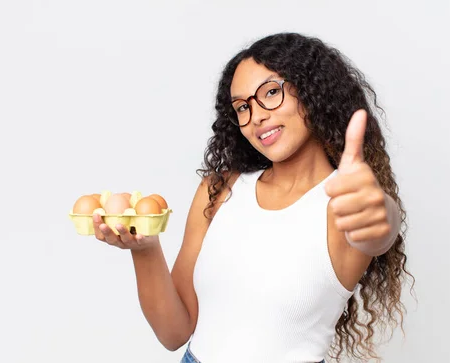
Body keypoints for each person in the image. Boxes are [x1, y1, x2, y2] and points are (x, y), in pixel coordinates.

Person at [92, 32, 412, 363]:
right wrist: (145, 250)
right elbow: (174, 333)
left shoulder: (344, 204)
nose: (256, 116)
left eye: (271, 92)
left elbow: (378, 232)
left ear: (313, 91)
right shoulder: (219, 191)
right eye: (243, 107)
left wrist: (380, 210)